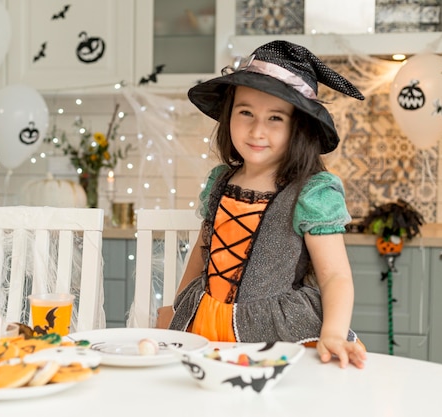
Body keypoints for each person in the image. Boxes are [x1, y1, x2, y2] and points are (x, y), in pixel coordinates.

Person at [156, 40, 367, 369]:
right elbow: (202, 253)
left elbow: (336, 276)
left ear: (298, 127)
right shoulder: (219, 181)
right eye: (246, 113)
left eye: (275, 118)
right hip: (204, 320)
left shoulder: (311, 192)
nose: (257, 130)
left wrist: (335, 332)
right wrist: (175, 309)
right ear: (229, 115)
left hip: (276, 332)